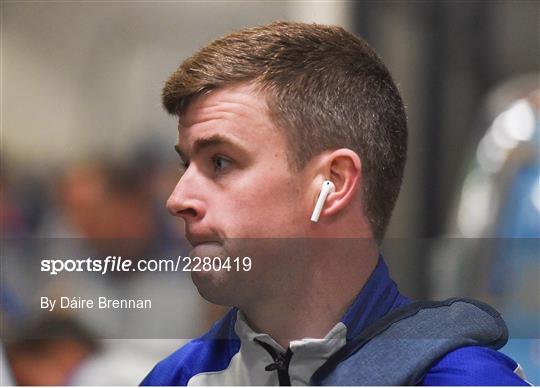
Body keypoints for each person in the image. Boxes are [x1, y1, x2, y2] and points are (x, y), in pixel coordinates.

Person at [141, 21, 530, 385]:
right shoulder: (175, 379)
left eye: (220, 162)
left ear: (334, 183)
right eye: (185, 164)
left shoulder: (464, 380)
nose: (179, 199)